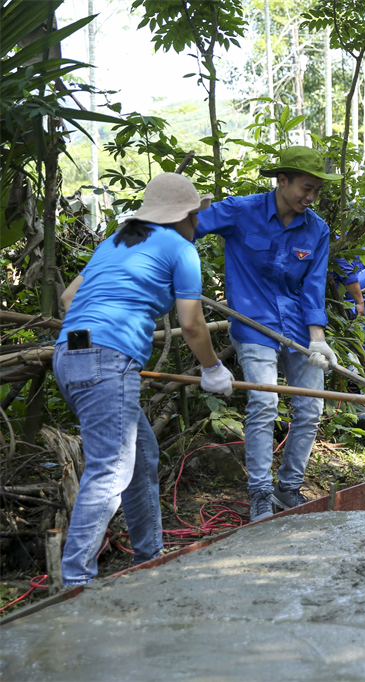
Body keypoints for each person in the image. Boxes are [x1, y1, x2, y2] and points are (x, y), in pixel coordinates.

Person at [55, 173, 234, 586]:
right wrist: (212, 368)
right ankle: (75, 582)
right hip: (108, 360)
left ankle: (149, 556)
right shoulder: (181, 248)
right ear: (185, 216)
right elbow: (191, 324)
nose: (199, 223)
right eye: (196, 215)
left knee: (142, 454)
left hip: (69, 355)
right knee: (111, 469)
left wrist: (96, 338)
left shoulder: (115, 242)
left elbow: (68, 299)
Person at [195, 146, 337, 521]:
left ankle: (287, 489)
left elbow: (313, 287)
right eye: (306, 188)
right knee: (264, 403)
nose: (311, 197)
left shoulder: (316, 229)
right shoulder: (241, 211)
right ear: (282, 180)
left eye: (317, 192)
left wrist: (317, 338)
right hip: (253, 325)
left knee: (310, 407)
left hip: (299, 329)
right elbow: (187, 226)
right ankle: (259, 492)